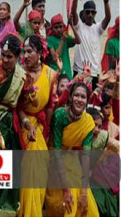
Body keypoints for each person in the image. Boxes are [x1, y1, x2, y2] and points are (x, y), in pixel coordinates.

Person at [44, 82, 100, 217]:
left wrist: (84, 193)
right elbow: (56, 153)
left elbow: (86, 157)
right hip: (54, 160)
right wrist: (66, 191)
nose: (79, 100)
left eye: (83, 97)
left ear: (87, 101)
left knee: (88, 206)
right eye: (76, 95)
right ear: (70, 97)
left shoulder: (88, 123)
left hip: (73, 160)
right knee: (70, 199)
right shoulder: (60, 115)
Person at [0, 35, 25, 215]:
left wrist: (27, 125)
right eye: (4, 55)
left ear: (17, 57)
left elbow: (21, 106)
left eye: (10, 57)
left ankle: (4, 211)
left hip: (12, 125)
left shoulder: (21, 75)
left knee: (9, 173)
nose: (6, 60)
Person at [17, 35, 58, 217]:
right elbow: (15, 106)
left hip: (39, 128)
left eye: (30, 52)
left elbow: (49, 105)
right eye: (24, 52)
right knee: (26, 166)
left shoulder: (50, 74)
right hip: (20, 124)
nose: (25, 56)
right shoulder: (18, 72)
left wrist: (47, 131)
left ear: (40, 53)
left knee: (39, 170)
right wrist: (26, 123)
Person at [71, 0, 111, 87]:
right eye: (87, 12)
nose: (90, 15)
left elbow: (107, 18)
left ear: (95, 14)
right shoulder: (79, 27)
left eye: (92, 12)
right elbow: (73, 12)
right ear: (83, 13)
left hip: (93, 73)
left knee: (92, 101)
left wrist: (106, 0)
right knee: (77, 99)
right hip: (79, 71)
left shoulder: (98, 28)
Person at [46, 14, 80, 79]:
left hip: (67, 73)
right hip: (55, 73)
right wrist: (62, 41)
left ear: (63, 27)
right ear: (52, 28)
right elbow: (55, 58)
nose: (59, 29)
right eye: (56, 27)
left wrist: (72, 26)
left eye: (60, 27)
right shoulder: (50, 39)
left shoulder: (66, 37)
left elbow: (78, 41)